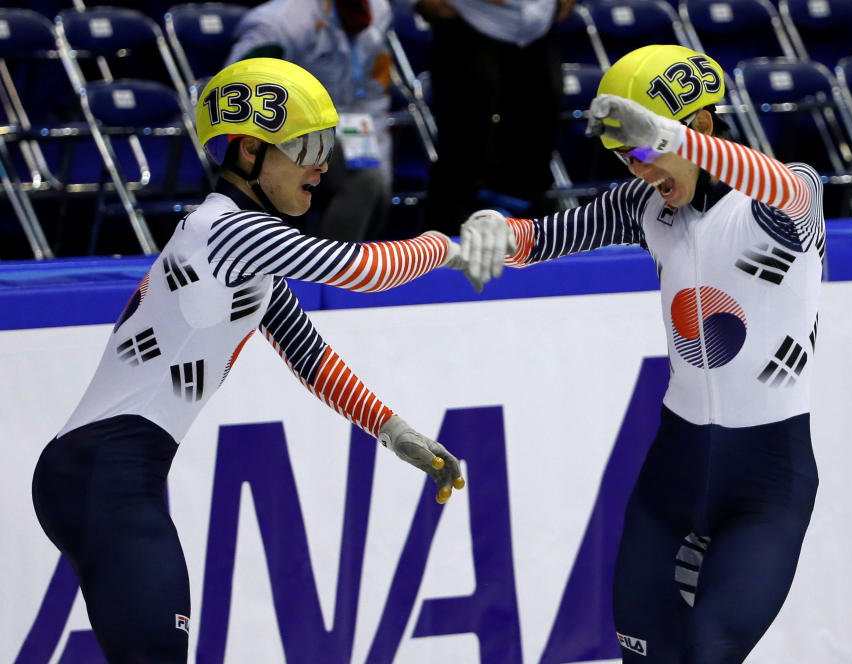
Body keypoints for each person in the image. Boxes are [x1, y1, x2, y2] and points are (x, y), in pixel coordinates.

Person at [31, 58, 465, 663]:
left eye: (328, 145)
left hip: (106, 473)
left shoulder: (246, 250)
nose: (323, 163)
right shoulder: (226, 232)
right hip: (106, 475)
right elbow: (363, 270)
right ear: (248, 152)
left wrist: (393, 432)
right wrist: (447, 244)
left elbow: (311, 359)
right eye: (306, 145)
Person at [456, 45, 825, 664]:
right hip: (673, 476)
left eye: (647, 149)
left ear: (702, 127)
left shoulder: (783, 201)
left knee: (709, 650)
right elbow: (542, 239)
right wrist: (493, 230)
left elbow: (781, 183)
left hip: (767, 484)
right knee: (645, 653)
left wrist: (666, 135)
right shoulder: (646, 206)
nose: (638, 168)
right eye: (625, 155)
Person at [227, 0, 393, 241]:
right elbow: (235, 97)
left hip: (344, 135)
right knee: (363, 179)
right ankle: (333, 270)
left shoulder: (378, 12)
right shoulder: (279, 23)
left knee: (375, 184)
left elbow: (375, 94)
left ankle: (341, 269)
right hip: (278, 135)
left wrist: (380, 163)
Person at [410, 0, 573, 235]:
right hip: (471, 17)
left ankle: (531, 240)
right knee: (463, 149)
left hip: (538, 23)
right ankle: (449, 246)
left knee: (536, 146)